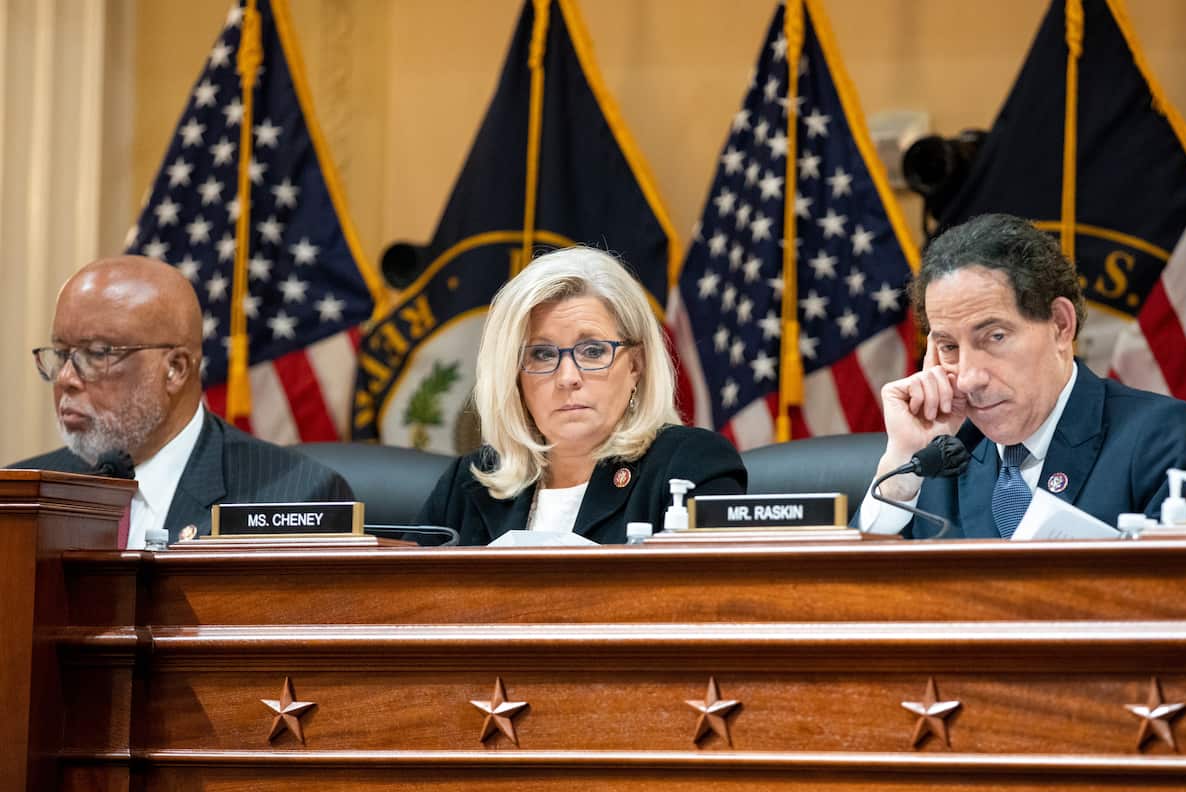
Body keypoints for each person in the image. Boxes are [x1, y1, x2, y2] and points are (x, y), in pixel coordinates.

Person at [858, 213, 1186, 539]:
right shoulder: (938, 456)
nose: (968, 378)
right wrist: (901, 467)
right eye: (949, 347)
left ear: (1061, 325)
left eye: (995, 337)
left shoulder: (1157, 438)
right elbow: (850, 600)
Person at [10, 255, 353, 545]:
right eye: (60, 353)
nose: (67, 378)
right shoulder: (19, 496)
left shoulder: (295, 498)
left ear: (175, 369)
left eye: (97, 353)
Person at [415, 246, 746, 545]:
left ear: (636, 364)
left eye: (592, 350)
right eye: (542, 354)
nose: (568, 378)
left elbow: (717, 603)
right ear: (513, 376)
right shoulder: (468, 485)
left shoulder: (690, 466)